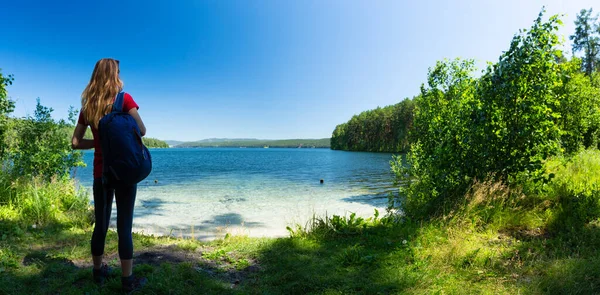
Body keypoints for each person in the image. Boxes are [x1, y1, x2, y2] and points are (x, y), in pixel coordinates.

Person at [71, 58, 147, 292]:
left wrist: (98, 142)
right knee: (124, 225)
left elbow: (75, 142)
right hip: (124, 171)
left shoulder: (88, 106)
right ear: (114, 74)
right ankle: (127, 281)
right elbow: (142, 130)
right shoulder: (124, 100)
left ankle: (97, 273)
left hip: (100, 172)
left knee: (101, 226)